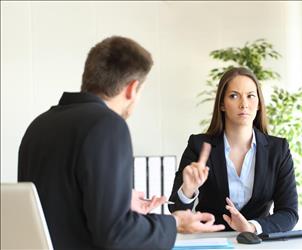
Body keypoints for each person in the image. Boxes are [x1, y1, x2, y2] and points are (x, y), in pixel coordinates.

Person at [18, 36, 224, 250]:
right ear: (132, 88)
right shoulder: (107, 125)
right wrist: (176, 223)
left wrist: (120, 202)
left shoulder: (39, 125)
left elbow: (61, 209)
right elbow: (116, 234)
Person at [168, 67, 299, 235]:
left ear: (259, 103)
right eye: (234, 96)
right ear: (222, 104)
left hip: (258, 244)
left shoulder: (278, 150)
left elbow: (289, 213)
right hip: (211, 242)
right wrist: (188, 189)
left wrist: (251, 227)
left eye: (251, 96)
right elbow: (175, 210)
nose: (244, 104)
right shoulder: (199, 145)